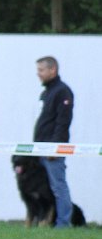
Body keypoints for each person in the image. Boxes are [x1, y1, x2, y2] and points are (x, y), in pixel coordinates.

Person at [33, 56, 74, 228]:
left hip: (52, 149)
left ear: (53, 70)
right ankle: (45, 221)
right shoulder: (47, 92)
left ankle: (63, 223)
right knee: (44, 188)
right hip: (40, 147)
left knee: (58, 187)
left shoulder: (62, 91)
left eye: (41, 70)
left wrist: (55, 148)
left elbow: (63, 123)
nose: (38, 73)